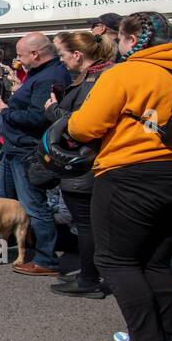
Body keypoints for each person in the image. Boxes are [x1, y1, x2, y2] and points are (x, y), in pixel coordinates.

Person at [66, 12, 172, 341]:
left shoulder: (128, 73)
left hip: (131, 173)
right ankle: (160, 336)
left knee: (116, 259)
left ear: (129, 39)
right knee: (156, 261)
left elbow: (84, 126)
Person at [45, 30, 118, 299]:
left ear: (77, 55)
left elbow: (82, 124)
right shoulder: (99, 77)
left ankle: (89, 279)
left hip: (84, 164)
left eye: (62, 55)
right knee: (91, 225)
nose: (61, 60)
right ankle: (95, 276)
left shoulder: (94, 82)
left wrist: (52, 109)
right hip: (91, 162)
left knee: (86, 225)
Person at [0, 32, 71, 276]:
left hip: (27, 150)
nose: (18, 60)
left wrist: (6, 111)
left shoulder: (50, 75)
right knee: (2, 198)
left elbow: (40, 117)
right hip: (14, 147)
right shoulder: (39, 73)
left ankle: (46, 260)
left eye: (20, 55)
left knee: (34, 206)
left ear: (36, 54)